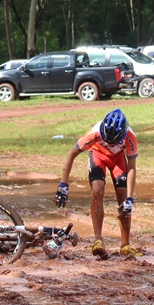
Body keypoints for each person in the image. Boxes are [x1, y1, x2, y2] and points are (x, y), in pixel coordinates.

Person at [56, 108, 140, 259]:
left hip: (118, 159)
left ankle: (125, 244)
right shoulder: (94, 133)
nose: (110, 145)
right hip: (98, 155)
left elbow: (132, 168)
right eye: (107, 141)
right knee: (97, 190)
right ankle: (98, 240)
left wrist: (130, 198)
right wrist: (63, 184)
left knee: (123, 197)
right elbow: (71, 154)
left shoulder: (130, 137)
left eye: (114, 142)